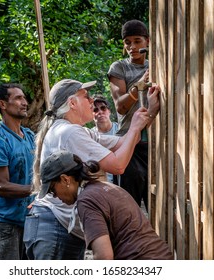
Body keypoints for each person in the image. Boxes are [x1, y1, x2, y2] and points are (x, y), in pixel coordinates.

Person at [23, 78, 160, 260]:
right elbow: (118, 165)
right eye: (86, 97)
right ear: (72, 103)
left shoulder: (75, 130)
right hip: (55, 228)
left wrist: (148, 113)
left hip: (58, 224)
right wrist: (135, 126)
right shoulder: (70, 133)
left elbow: (123, 143)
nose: (91, 102)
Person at [38, 150, 174, 260]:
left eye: (52, 189)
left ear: (65, 179)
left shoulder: (86, 201)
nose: (54, 196)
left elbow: (104, 257)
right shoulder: (105, 187)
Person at [107, 19, 160, 211]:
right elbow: (120, 106)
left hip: (154, 144)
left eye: (137, 41)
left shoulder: (158, 66)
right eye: (127, 42)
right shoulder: (119, 68)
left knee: (157, 205)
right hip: (128, 143)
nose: (132, 46)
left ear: (148, 42)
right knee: (128, 207)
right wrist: (139, 85)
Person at [0, 83, 36, 260]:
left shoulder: (29, 136)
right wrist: (37, 188)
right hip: (7, 226)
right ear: (3, 104)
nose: (25, 102)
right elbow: (1, 186)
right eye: (18, 98)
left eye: (24, 98)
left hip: (30, 221)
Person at [91, 94, 118, 183]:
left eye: (103, 108)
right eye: (95, 110)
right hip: (100, 181)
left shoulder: (120, 130)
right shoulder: (89, 136)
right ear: (92, 115)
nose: (100, 112)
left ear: (109, 111)